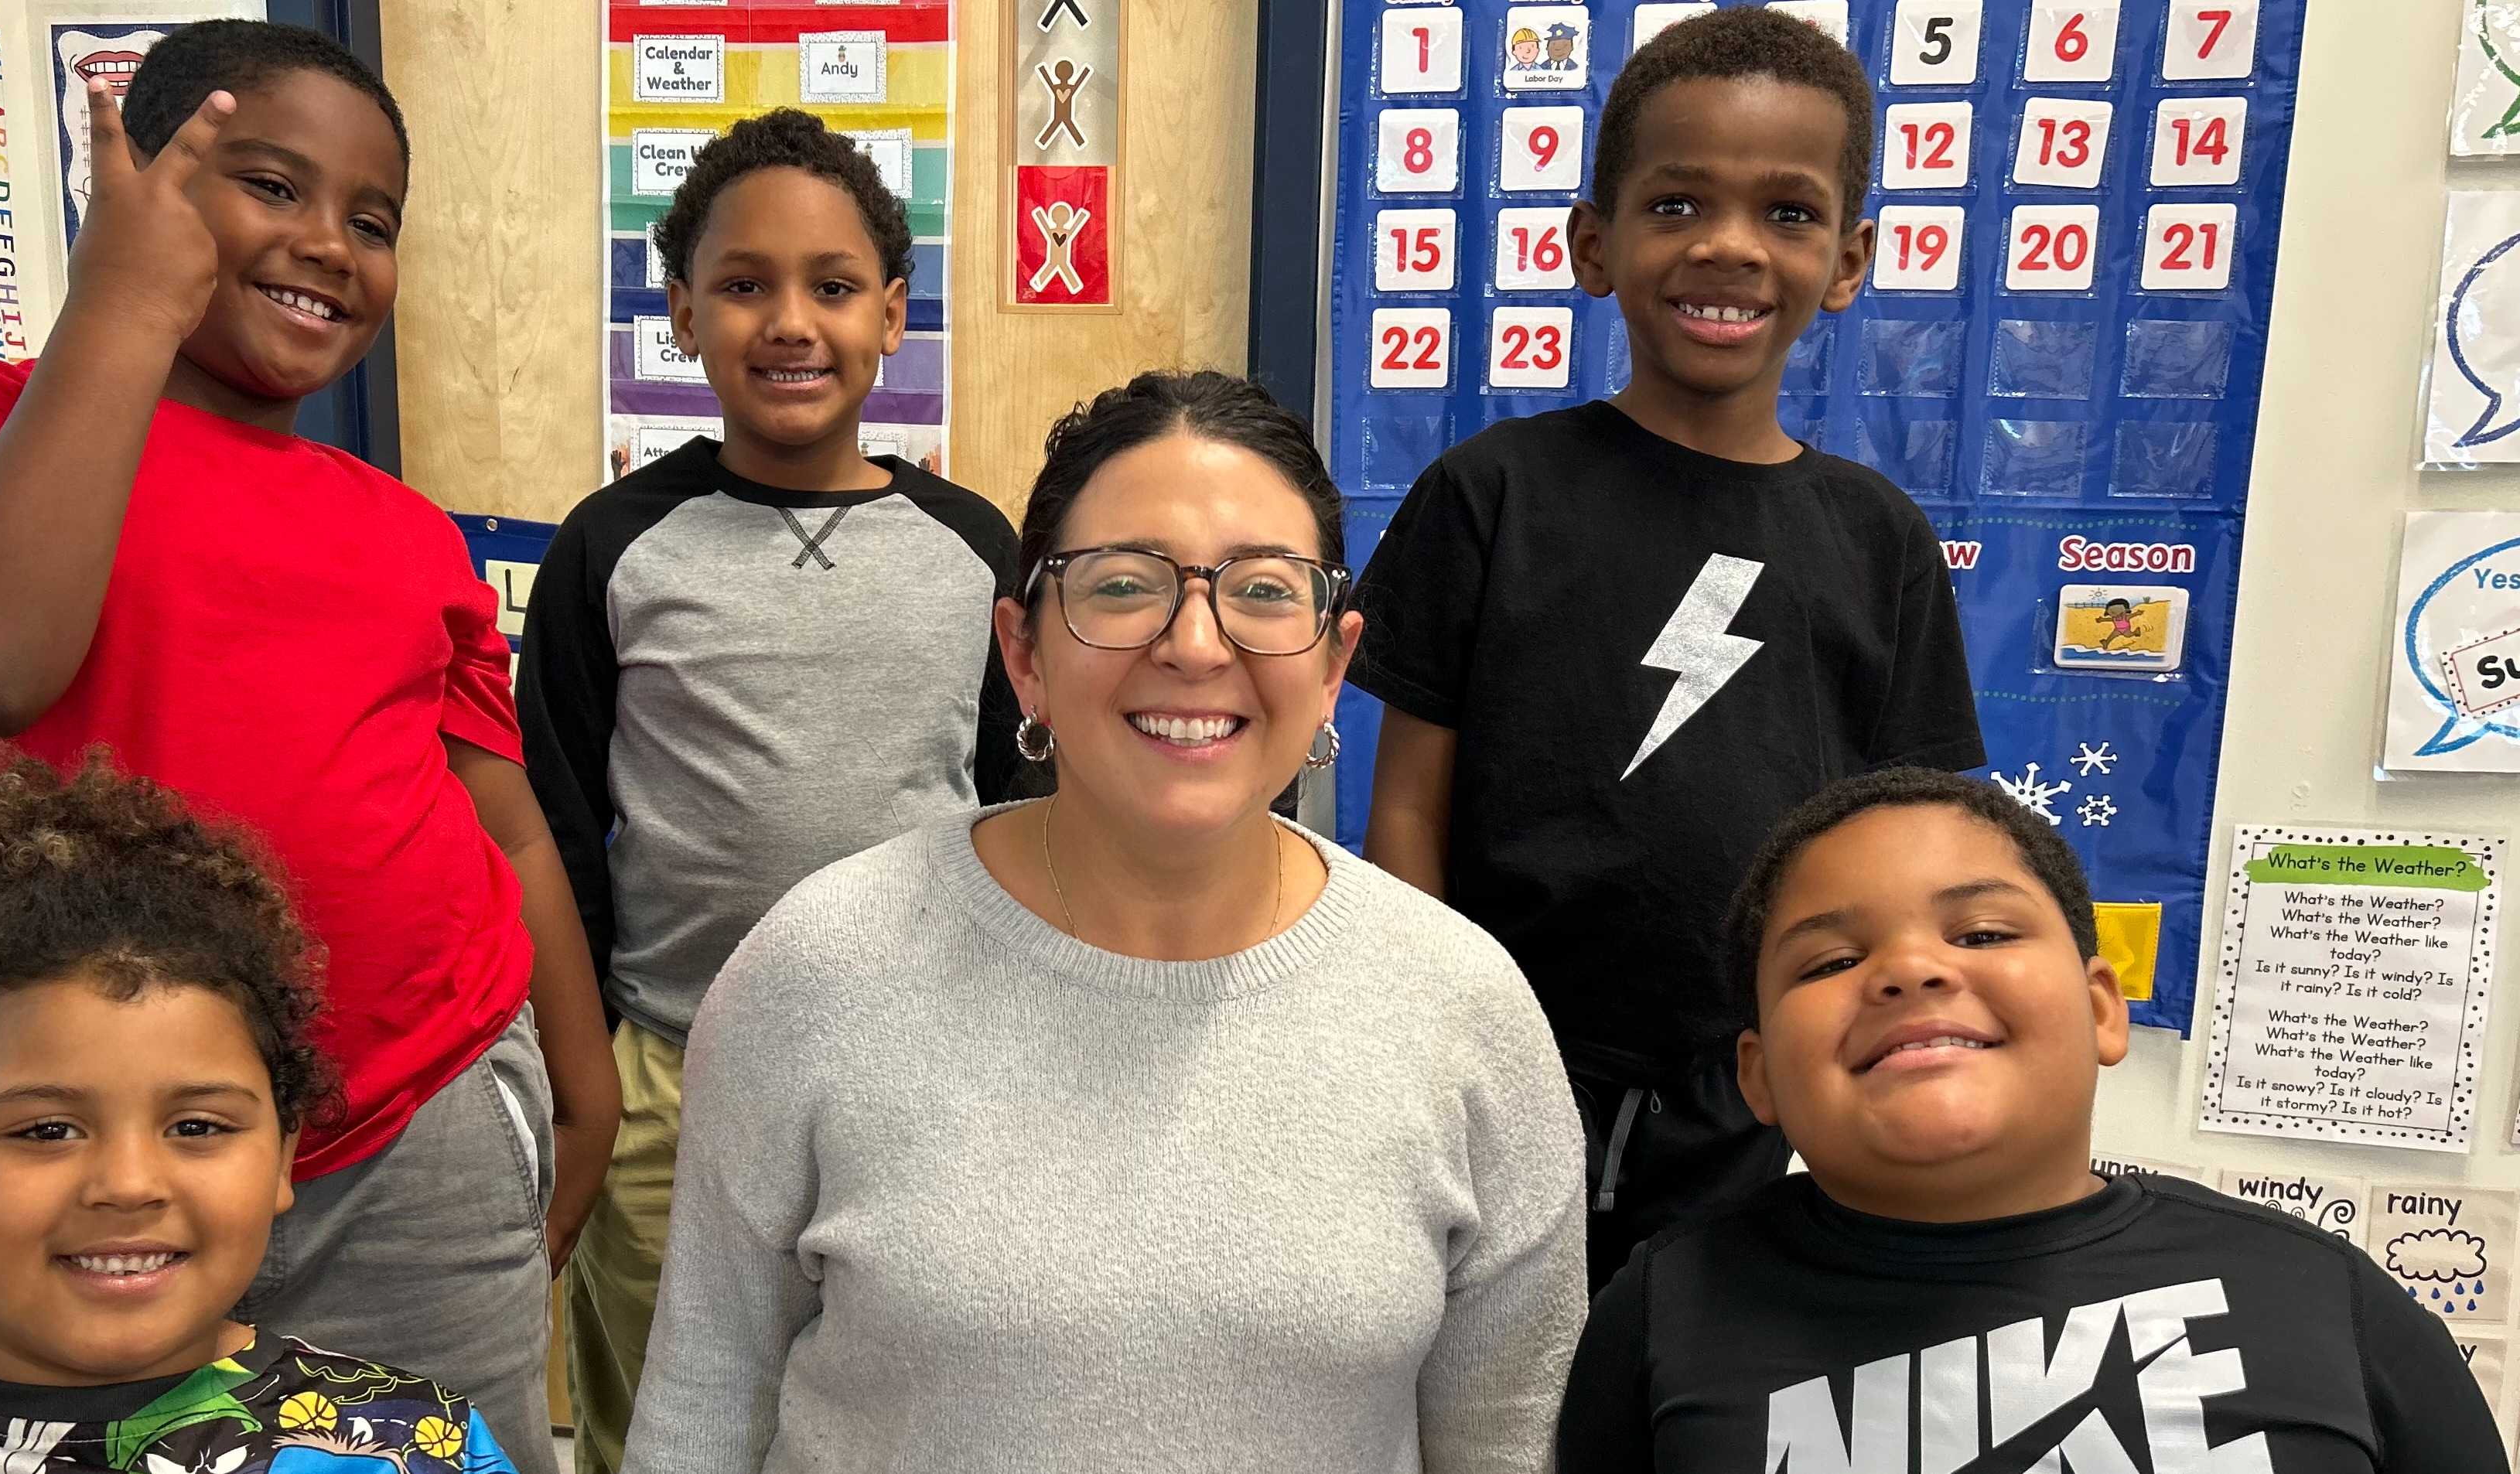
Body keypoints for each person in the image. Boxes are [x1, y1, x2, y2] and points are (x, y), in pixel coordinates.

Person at [0, 23, 616, 1468]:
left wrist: (580, 1074)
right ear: (137, 189)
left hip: (417, 1111)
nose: (328, 243)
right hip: (110, 1136)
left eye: (371, 221)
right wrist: (119, 310)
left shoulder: (401, 529)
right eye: (269, 186)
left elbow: (501, 820)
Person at [620, 372, 1586, 1472]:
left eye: (1265, 591)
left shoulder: (1463, 1005)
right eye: (1123, 584)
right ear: (1025, 655)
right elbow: (701, 1413)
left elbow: (1505, 1445)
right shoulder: (819, 968)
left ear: (1333, 667)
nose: (1195, 641)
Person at [1352, 4, 1983, 1283]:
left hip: (1745, 1092)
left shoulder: (1878, 539)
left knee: (1680, 1389)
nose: (1728, 248)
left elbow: (1901, 851)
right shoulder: (1490, 493)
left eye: (1787, 214)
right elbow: (1405, 816)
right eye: (1677, 204)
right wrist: (1417, 1039)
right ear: (1593, 241)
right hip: (1489, 1069)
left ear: (1850, 261)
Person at [511, 106, 1021, 1473]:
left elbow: (1022, 818)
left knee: (897, 1403)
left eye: (831, 286)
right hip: (675, 1072)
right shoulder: (613, 548)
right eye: (743, 285)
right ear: (679, 312)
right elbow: (550, 833)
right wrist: (587, 1086)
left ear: (891, 316)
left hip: (924, 1065)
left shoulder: (975, 548)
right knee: (670, 1417)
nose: (788, 321)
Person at [1555, 767, 2510, 1473]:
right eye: (1829, 960)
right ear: (1756, 1077)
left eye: (1980, 933)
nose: (1908, 970)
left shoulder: (2322, 1296)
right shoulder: (1656, 1313)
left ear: (2101, 1008)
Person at [0, 758, 524, 1474]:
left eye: (197, 1126)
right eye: (45, 1130)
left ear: (280, 1156)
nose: (128, 1184)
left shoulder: (411, 1447)